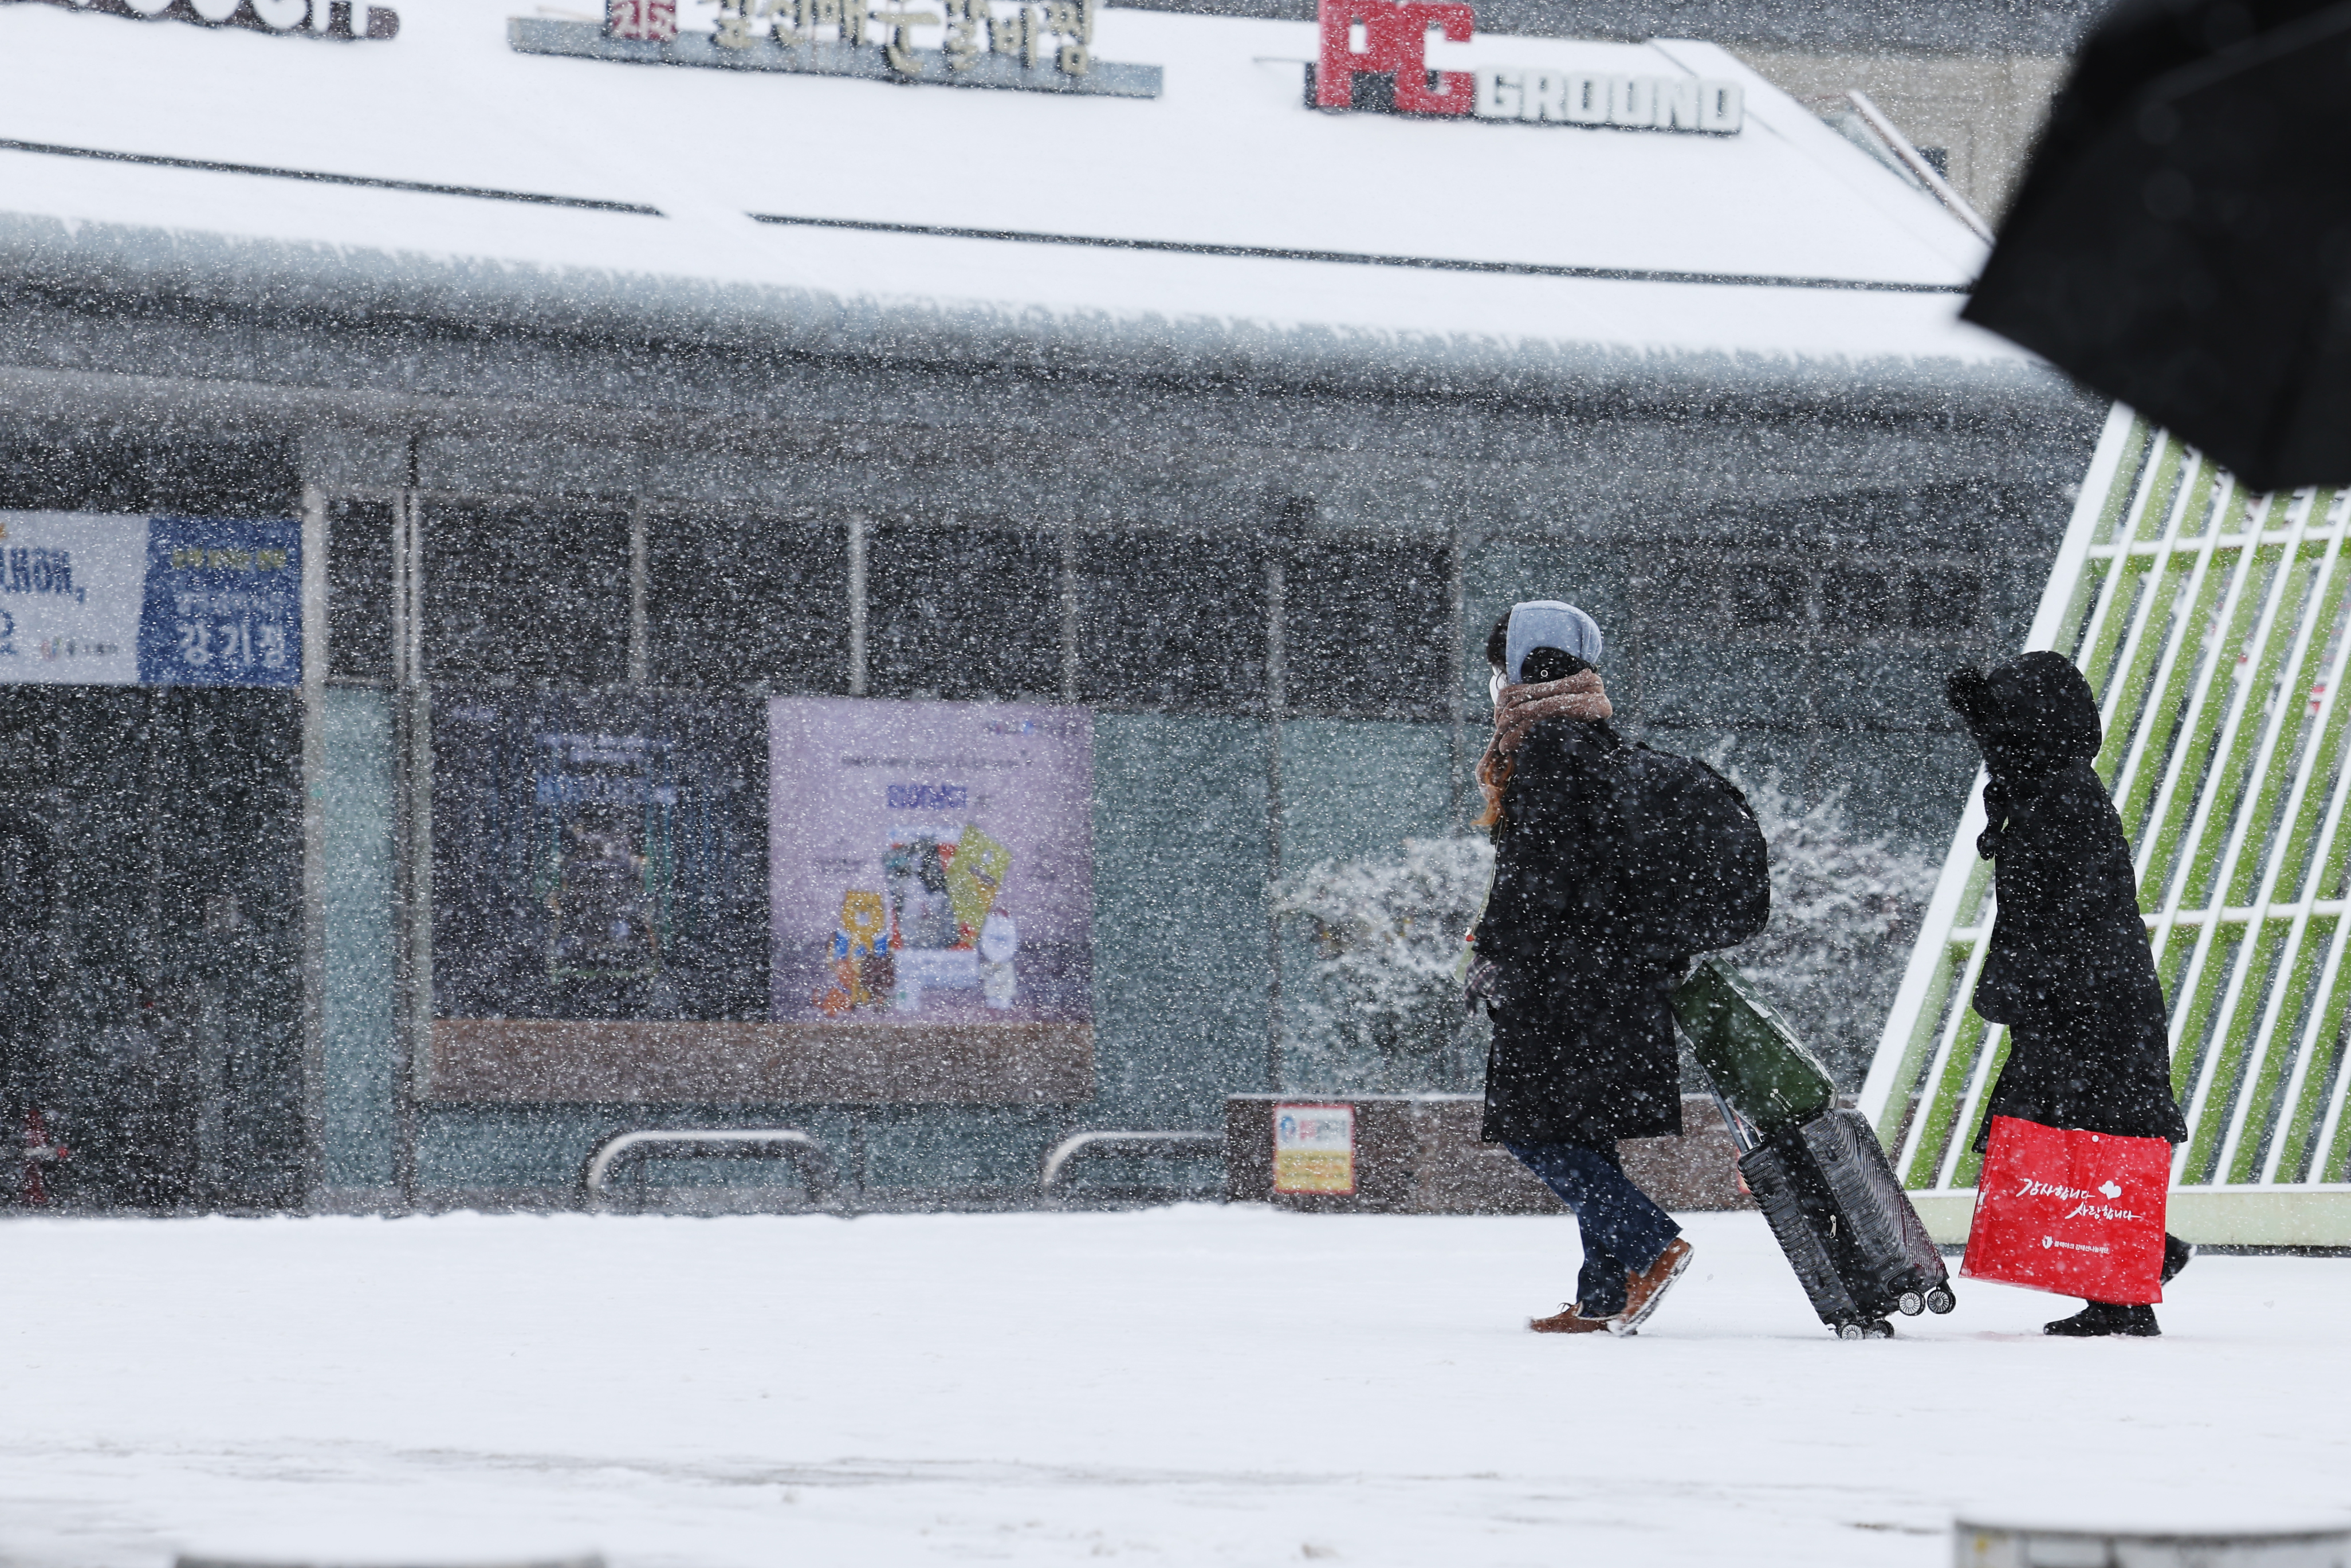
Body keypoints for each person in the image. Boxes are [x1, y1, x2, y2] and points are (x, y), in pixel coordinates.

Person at [1947, 651, 2195, 1337]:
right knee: (2064, 1134)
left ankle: (2127, 1286)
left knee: (2082, 1134)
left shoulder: (2059, 799)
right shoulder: (2047, 793)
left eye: (2003, 729)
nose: (1992, 744)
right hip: (2085, 999)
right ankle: (2136, 1263)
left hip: (2089, 1002)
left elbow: (2070, 913)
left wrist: (2026, 983)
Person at [1467, 600, 1694, 1336]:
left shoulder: (1548, 746)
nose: (1495, 679)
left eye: (1501, 664)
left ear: (1524, 666)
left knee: (1532, 1126)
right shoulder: (1591, 737)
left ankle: (1652, 1243)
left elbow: (1536, 874)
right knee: (1584, 1129)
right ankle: (1603, 1296)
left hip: (1564, 981)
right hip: (1609, 974)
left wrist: (1495, 947)